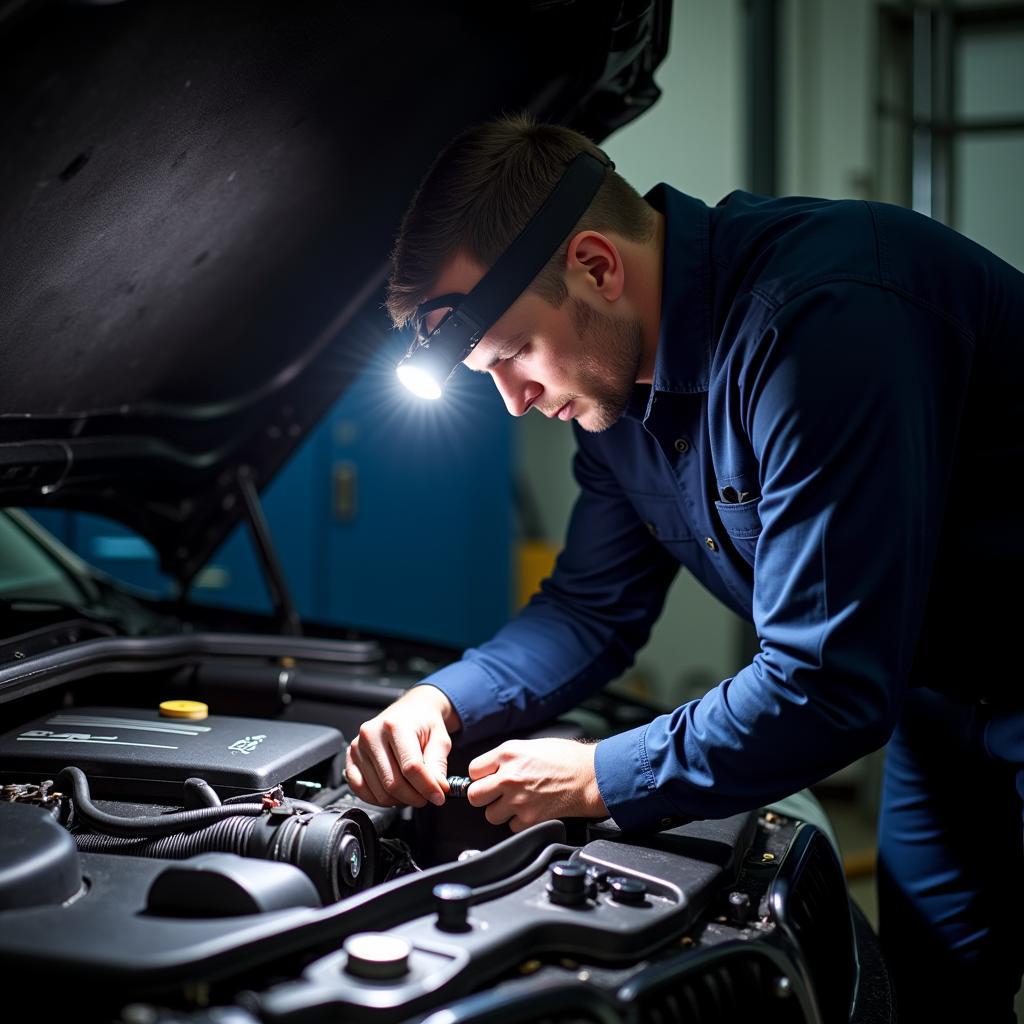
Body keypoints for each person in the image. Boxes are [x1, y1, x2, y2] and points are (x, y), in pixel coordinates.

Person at [345, 114, 1024, 1021]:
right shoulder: (617, 406)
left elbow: (824, 685)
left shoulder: (824, 319)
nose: (512, 402)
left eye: (510, 356)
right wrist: (441, 702)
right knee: (933, 1001)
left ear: (595, 264)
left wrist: (595, 776)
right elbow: (590, 611)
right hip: (941, 710)